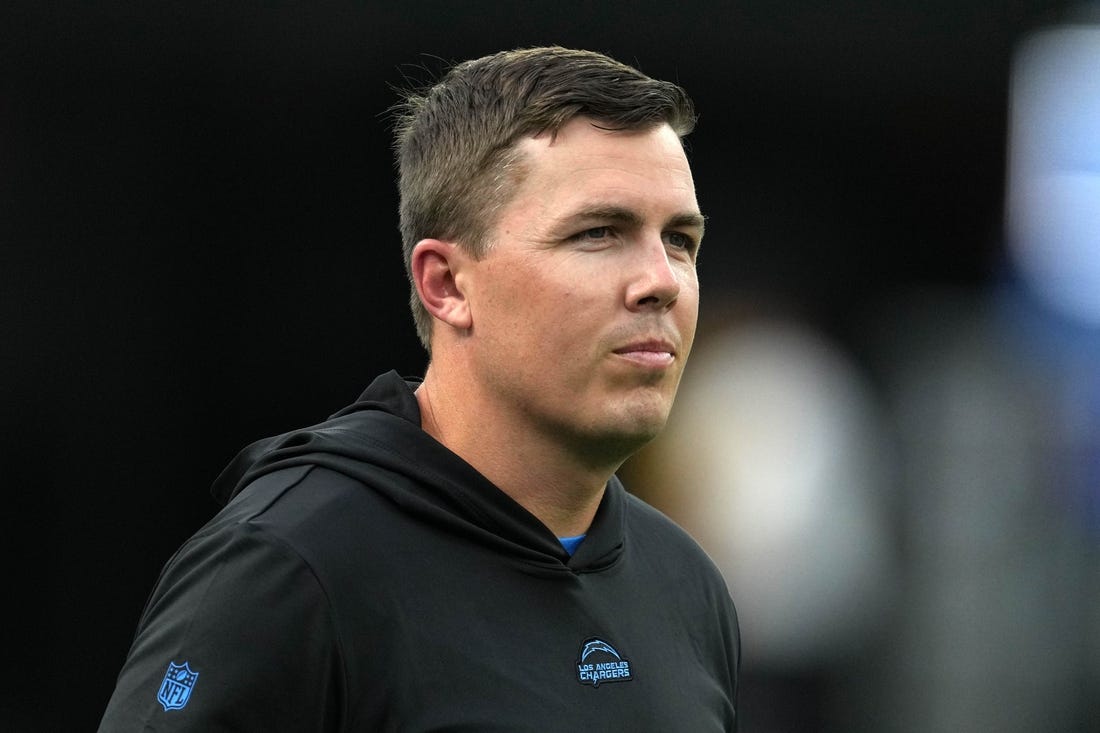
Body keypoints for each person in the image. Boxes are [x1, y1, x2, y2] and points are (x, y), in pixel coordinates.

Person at [98, 45, 740, 731]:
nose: (662, 281)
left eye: (679, 239)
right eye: (598, 233)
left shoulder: (687, 586)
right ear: (446, 284)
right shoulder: (291, 567)